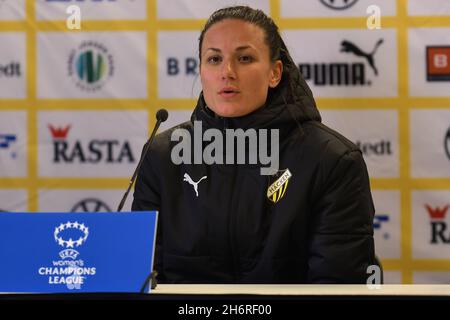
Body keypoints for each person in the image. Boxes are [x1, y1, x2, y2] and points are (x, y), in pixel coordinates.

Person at [132, 6, 376, 283]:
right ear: (200, 70)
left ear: (275, 73)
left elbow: (336, 284)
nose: (227, 72)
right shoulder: (162, 156)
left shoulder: (333, 160)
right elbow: (144, 279)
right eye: (214, 59)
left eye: (245, 58)